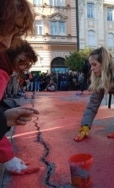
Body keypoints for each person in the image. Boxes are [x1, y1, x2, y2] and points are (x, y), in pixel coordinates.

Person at [0, 0, 40, 175]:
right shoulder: (2, 69)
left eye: (13, 34)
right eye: (4, 28)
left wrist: (4, 116)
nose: (6, 43)